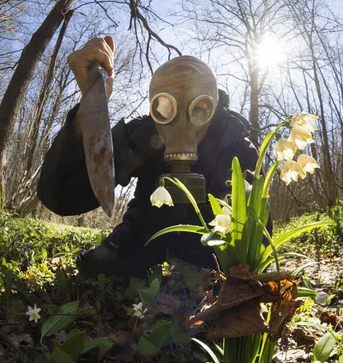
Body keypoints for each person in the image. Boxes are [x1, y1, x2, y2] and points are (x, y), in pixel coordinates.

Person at [37, 36, 267, 284]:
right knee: (97, 267)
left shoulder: (236, 146)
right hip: (141, 243)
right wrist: (91, 107)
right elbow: (61, 197)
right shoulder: (143, 134)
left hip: (211, 256)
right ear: (154, 108)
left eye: (198, 108)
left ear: (212, 107)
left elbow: (256, 241)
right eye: (166, 105)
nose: (181, 122)